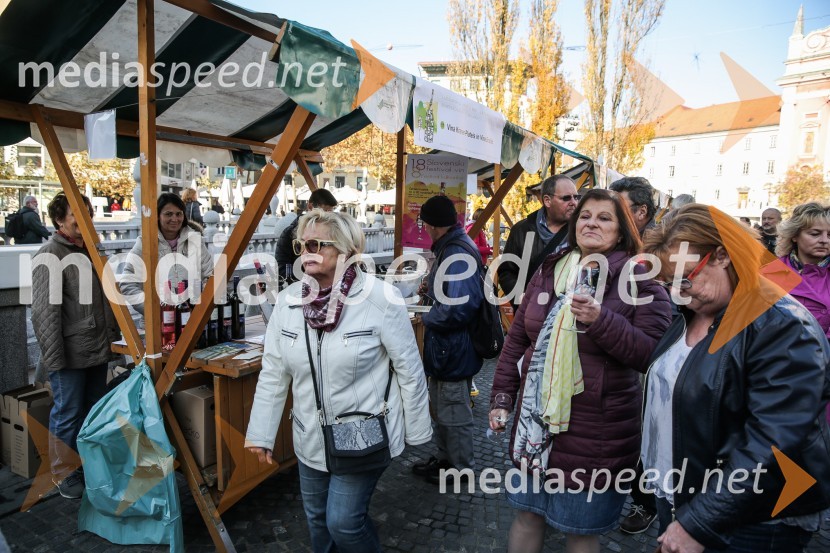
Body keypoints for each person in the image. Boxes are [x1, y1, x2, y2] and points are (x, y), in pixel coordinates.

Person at [489, 188, 671, 553]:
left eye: (604, 218)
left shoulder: (640, 278)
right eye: (585, 216)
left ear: (622, 230)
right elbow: (518, 340)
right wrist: (502, 396)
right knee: (527, 515)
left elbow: (651, 356)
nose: (591, 223)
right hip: (536, 423)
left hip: (596, 433)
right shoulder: (551, 269)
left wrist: (601, 320)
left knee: (580, 531)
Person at [641, 204, 830, 553]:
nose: (677, 292)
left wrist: (700, 521)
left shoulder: (782, 324)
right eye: (669, 283)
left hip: (753, 519)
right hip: (681, 494)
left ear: (723, 256)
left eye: (685, 278)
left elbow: (774, 442)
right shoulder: (691, 310)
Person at [246, 210, 432, 553]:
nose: (305, 252)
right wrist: (261, 433)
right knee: (317, 520)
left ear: (345, 249)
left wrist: (417, 431)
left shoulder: (380, 299)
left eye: (315, 244)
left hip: (362, 432)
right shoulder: (288, 302)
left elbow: (408, 367)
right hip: (309, 434)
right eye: (301, 245)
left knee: (344, 523)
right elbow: (273, 372)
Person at [31, 193, 120, 499]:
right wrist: (54, 359)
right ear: (59, 220)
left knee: (94, 408)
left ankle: (87, 463)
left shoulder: (92, 249)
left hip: (96, 345)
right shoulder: (50, 253)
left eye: (88, 211)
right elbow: (44, 313)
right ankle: (63, 472)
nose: (85, 218)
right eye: (76, 213)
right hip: (69, 351)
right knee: (67, 411)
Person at [412, 195, 484, 485]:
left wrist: (427, 317)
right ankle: (446, 460)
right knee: (444, 408)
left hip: (454, 349)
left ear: (431, 225)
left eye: (425, 224)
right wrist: (431, 289)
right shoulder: (453, 247)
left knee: (454, 411)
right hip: (448, 349)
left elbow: (458, 308)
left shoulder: (455, 253)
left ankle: (460, 468)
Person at [119, 192, 213, 316]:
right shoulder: (145, 243)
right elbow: (127, 283)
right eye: (168, 214)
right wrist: (155, 310)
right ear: (158, 216)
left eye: (179, 214)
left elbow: (210, 276)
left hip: (192, 319)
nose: (174, 219)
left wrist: (200, 306)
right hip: (157, 322)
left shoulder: (195, 241)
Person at [498, 174, 579, 307]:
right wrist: (521, 299)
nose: (573, 202)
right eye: (566, 198)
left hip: (568, 312)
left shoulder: (582, 230)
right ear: (547, 201)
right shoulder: (521, 230)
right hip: (530, 310)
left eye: (576, 197)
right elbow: (507, 271)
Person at [775, 202, 830, 340]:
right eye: (815, 234)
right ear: (794, 235)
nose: (824, 240)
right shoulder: (769, 273)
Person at [275, 189, 337, 285]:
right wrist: (306, 282)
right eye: (324, 211)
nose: (327, 217)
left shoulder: (334, 232)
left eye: (330, 212)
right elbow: (282, 268)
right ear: (310, 206)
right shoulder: (289, 234)